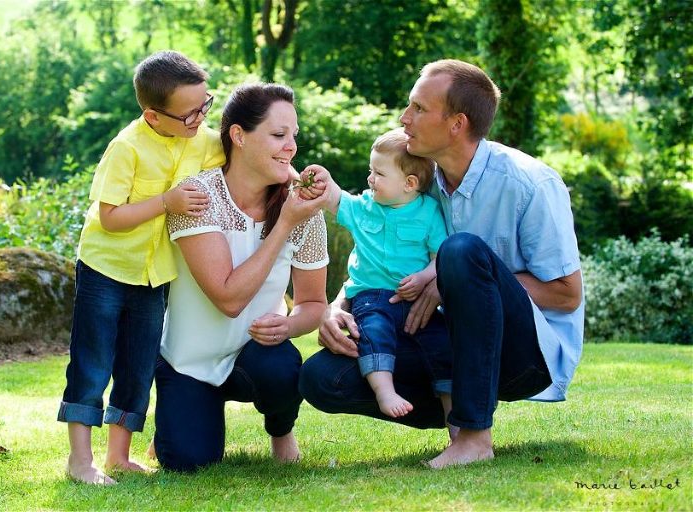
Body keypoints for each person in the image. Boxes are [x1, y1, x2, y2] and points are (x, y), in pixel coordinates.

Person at [299, 59, 584, 469]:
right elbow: (378, 254)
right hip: (442, 341)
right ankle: (453, 410)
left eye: (418, 108)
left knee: (461, 252)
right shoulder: (415, 179)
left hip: (524, 356)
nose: (404, 118)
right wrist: (336, 308)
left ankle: (473, 436)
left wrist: (453, 281)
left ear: (456, 124)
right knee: (323, 378)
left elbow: (567, 294)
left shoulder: (529, 184)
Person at [57, 50, 225, 485]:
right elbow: (110, 217)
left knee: (139, 364)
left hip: (155, 274)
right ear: (153, 116)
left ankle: (119, 455)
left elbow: (245, 158)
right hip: (106, 269)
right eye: (189, 114)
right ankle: (80, 461)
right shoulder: (126, 147)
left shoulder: (204, 140)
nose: (200, 119)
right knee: (93, 362)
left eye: (206, 105)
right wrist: (165, 203)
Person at [152, 83, 329, 472]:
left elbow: (315, 305)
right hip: (189, 360)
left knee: (281, 367)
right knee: (188, 462)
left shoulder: (301, 206)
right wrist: (283, 226)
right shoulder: (196, 197)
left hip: (255, 355)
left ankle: (281, 431)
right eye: (279, 135)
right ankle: (176, 416)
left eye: (293, 137)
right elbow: (228, 299)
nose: (291, 147)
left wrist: (288, 325)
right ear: (238, 136)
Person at [300, 128, 450, 419]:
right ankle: (385, 392)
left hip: (418, 302)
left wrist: (423, 278)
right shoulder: (364, 207)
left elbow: (440, 258)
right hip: (372, 298)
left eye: (379, 174)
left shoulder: (429, 211)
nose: (370, 179)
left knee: (442, 342)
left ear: (409, 183)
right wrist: (324, 179)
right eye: (371, 170)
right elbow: (335, 198)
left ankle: (453, 416)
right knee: (374, 334)